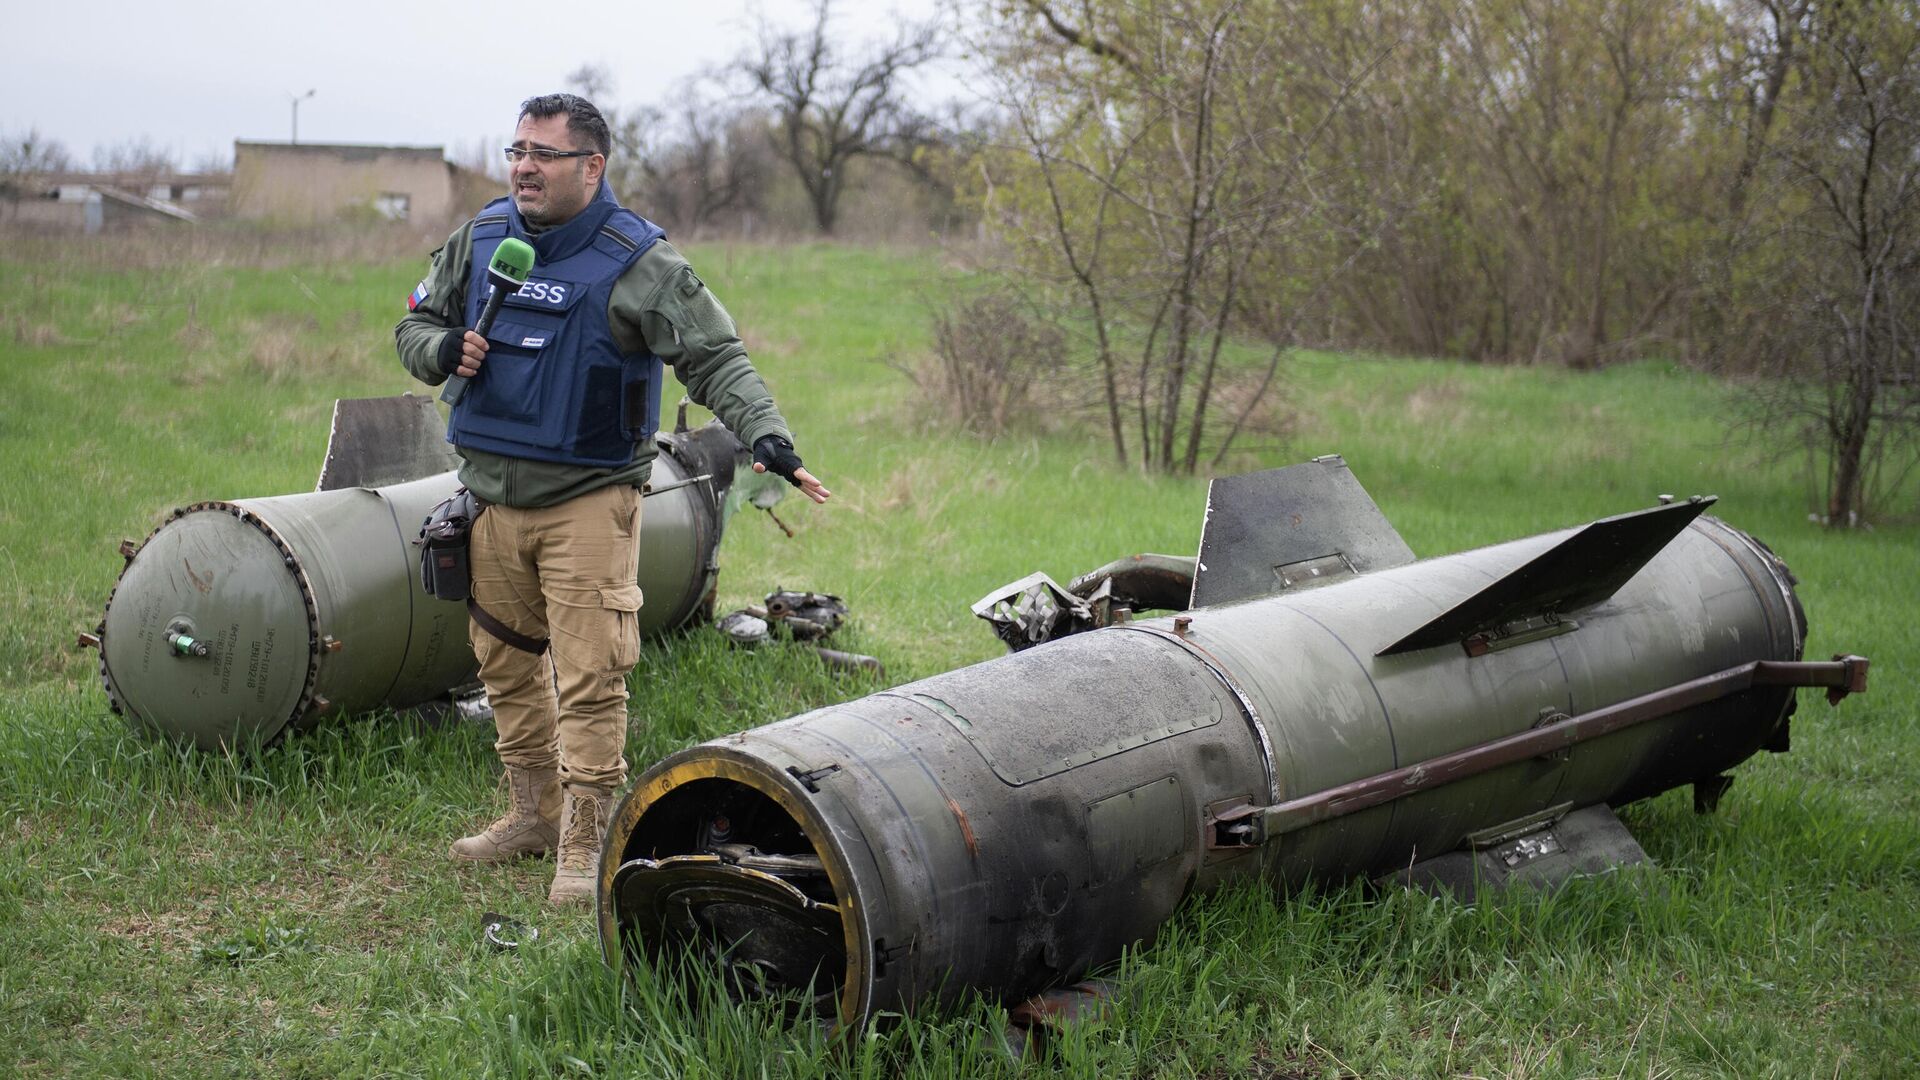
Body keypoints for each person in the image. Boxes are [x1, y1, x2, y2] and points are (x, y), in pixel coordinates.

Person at [396, 93, 830, 905]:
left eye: (543, 154)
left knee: (591, 674)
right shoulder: (483, 238)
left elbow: (716, 358)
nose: (523, 165)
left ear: (592, 167)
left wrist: (768, 438)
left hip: (588, 500)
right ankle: (534, 815)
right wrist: (446, 346)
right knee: (504, 664)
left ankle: (587, 841)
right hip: (488, 494)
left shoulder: (640, 261)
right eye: (516, 149)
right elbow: (412, 331)